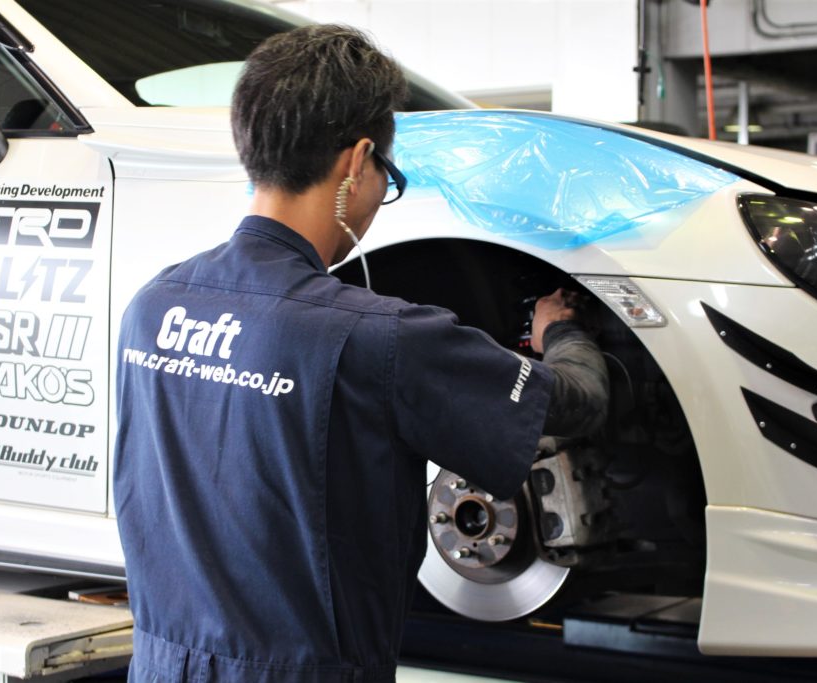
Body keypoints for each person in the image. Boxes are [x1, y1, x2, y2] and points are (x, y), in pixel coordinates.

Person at [113, 24, 608, 683]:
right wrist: (561, 333)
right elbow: (579, 401)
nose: (381, 195)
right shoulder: (382, 337)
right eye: (388, 177)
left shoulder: (153, 306)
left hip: (160, 666)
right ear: (358, 161)